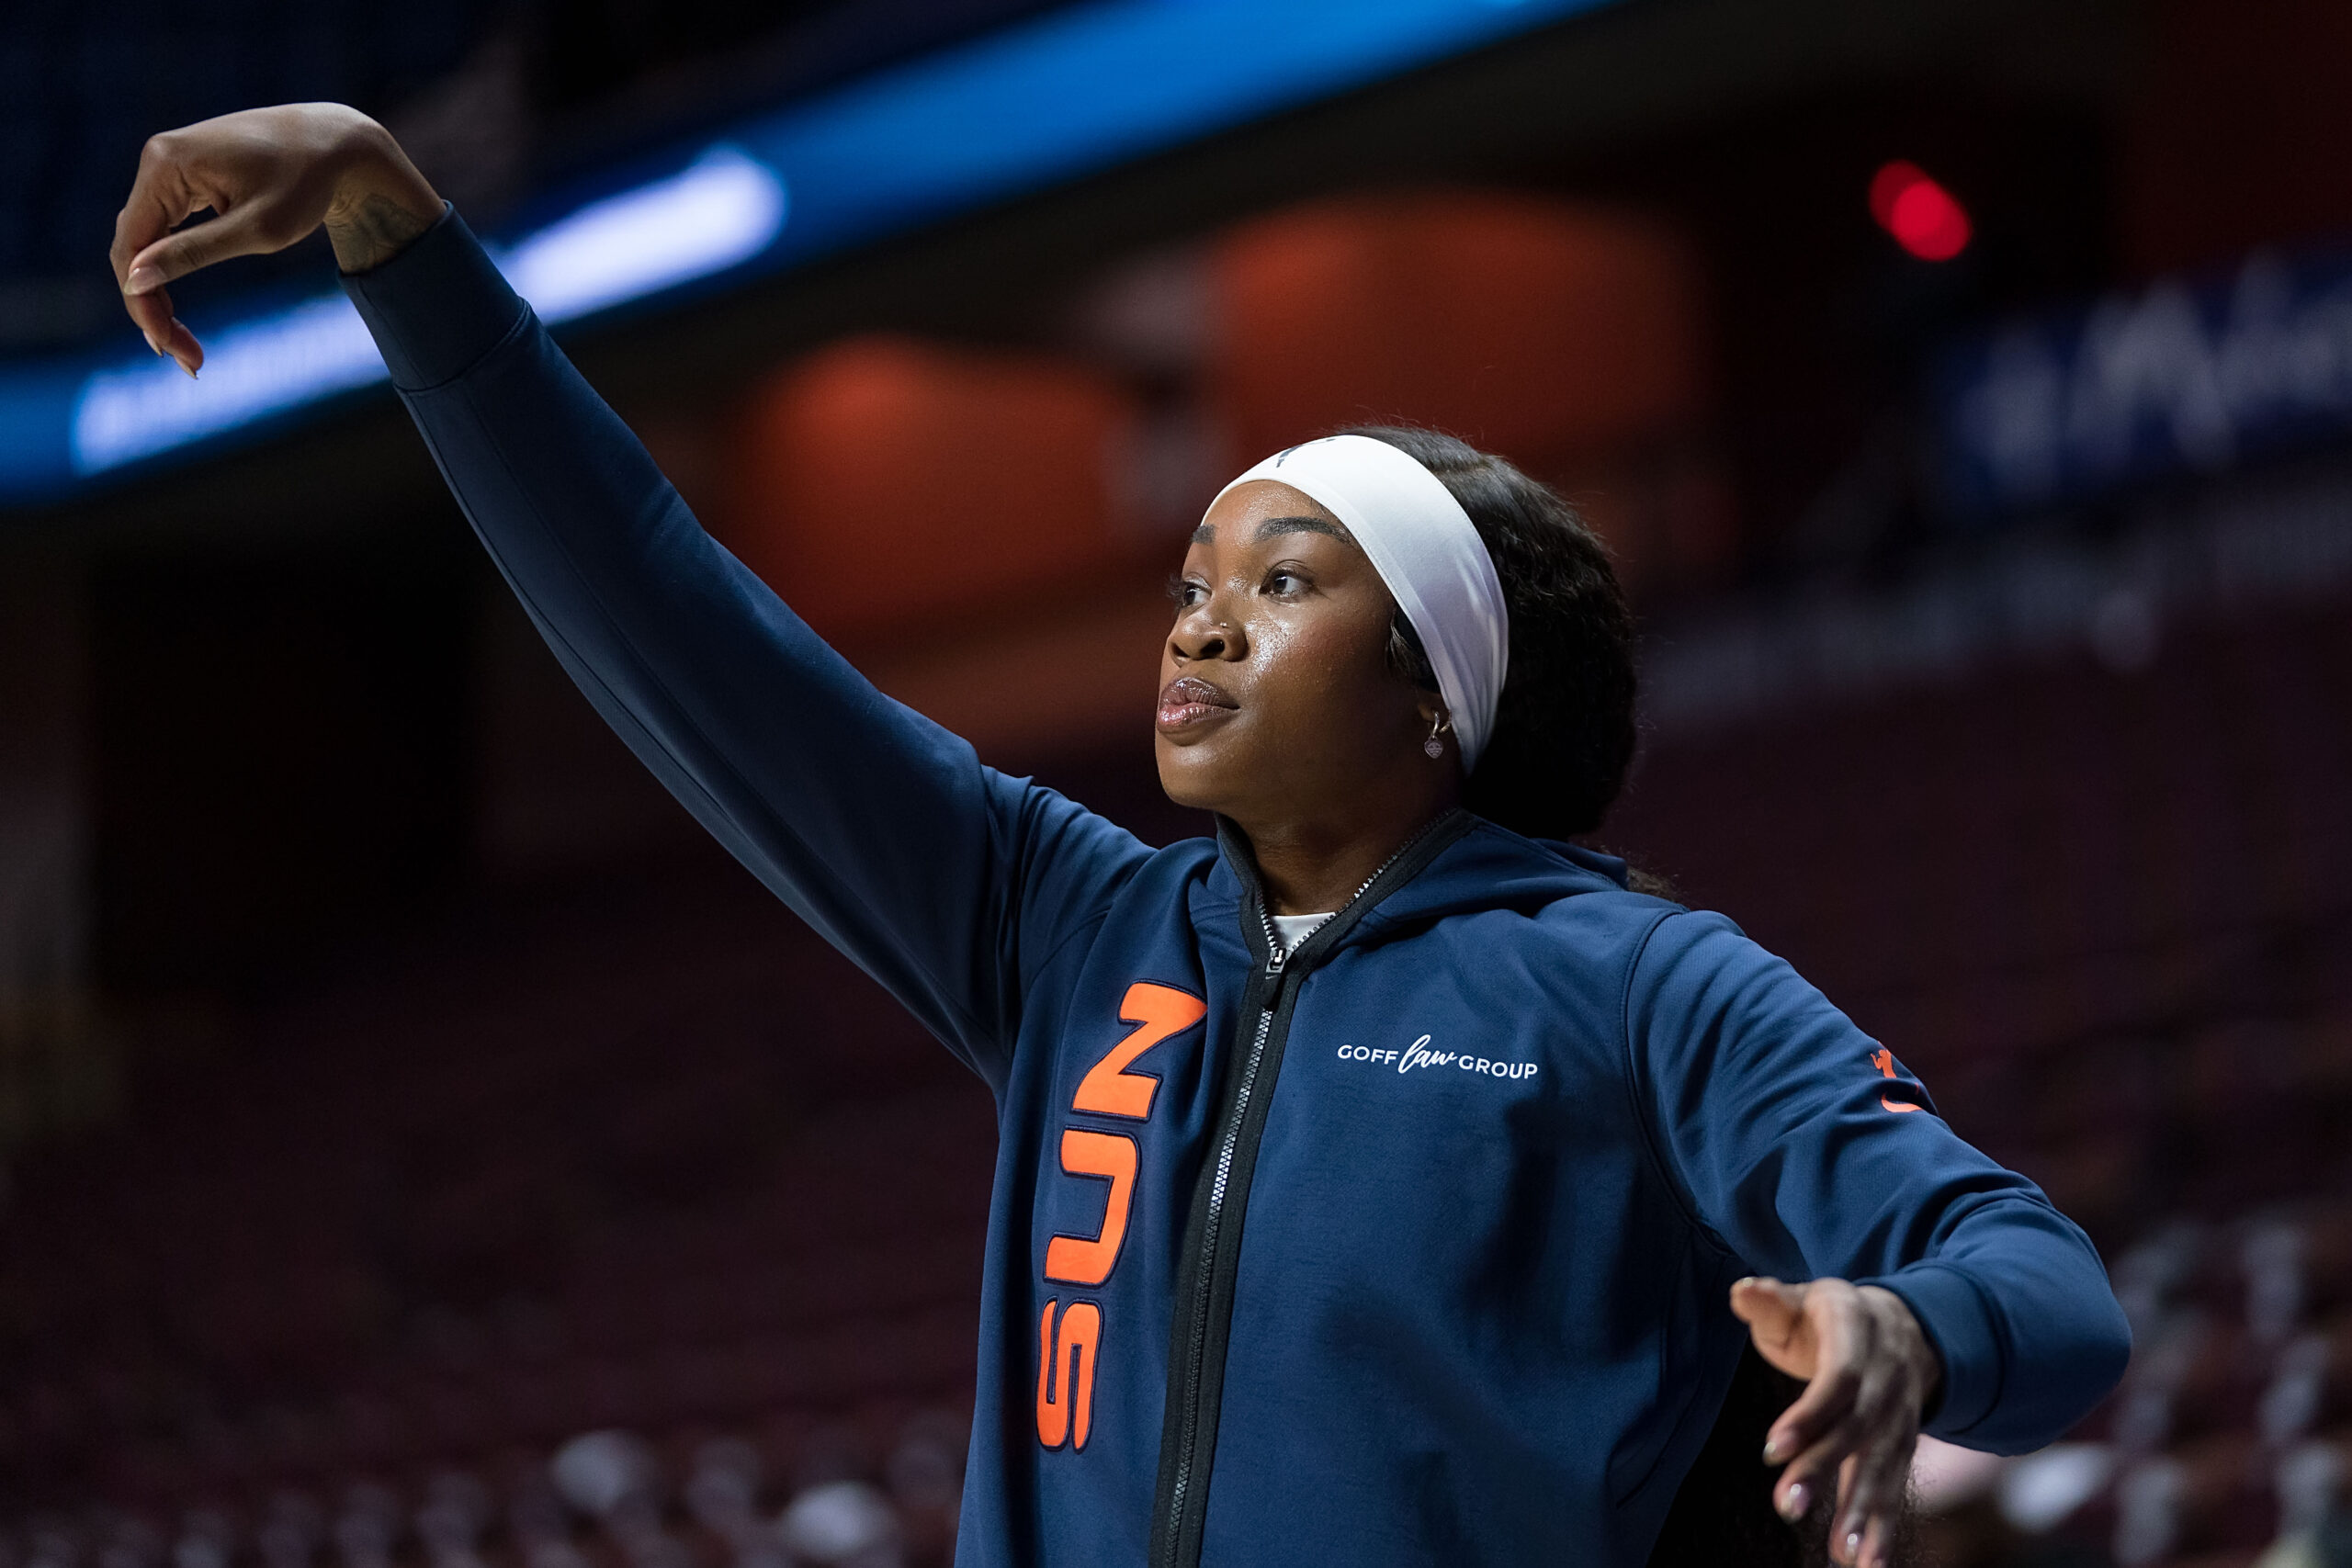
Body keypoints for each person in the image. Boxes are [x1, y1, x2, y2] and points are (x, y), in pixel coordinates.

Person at [112, 105, 2132, 1568]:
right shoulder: (1061, 922)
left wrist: (1900, 1320)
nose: (1198, 613)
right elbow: (671, 616)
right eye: (1189, 571)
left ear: (1440, 688)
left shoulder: (1633, 982)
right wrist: (403, 241)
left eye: (1282, 578)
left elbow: (2042, 1288)